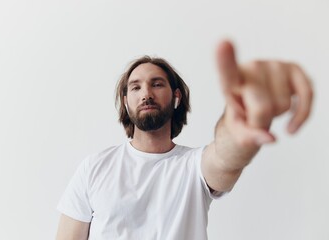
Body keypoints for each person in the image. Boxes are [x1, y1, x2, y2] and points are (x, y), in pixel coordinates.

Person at [55, 40, 313, 240]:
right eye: (135, 87)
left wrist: (239, 125)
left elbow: (225, 158)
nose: (146, 93)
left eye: (157, 84)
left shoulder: (195, 166)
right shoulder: (94, 168)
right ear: (125, 101)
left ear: (176, 96)